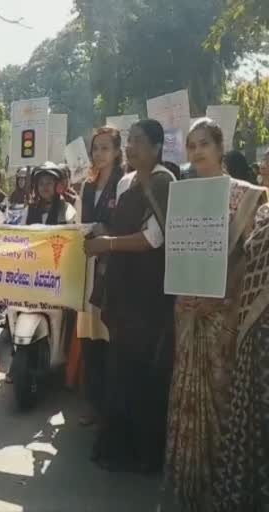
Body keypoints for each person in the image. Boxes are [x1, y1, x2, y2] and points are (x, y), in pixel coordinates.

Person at [165, 118, 266, 511]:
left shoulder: (248, 197)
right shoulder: (184, 196)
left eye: (204, 143)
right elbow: (179, 255)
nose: (196, 152)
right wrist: (185, 290)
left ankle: (219, 489)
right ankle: (188, 484)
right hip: (187, 309)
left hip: (223, 310)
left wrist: (219, 295)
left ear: (221, 146)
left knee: (220, 393)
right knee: (185, 391)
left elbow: (249, 258)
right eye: (190, 146)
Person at [84, 119, 176, 474]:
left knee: (144, 371)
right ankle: (117, 448)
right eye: (131, 140)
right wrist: (99, 232)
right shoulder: (126, 182)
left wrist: (108, 244)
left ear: (156, 147)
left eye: (139, 141)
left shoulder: (164, 182)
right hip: (122, 290)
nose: (133, 147)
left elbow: (154, 238)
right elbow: (122, 226)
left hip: (147, 294)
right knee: (120, 368)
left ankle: (145, 452)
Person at [213, 203, 269, 511]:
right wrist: (231, 325)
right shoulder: (264, 215)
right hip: (256, 335)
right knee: (253, 422)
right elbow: (246, 269)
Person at [76, 127, 124, 437]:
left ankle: (112, 407)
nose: (99, 153)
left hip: (115, 269)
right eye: (95, 148)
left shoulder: (126, 183)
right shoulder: (87, 186)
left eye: (105, 148)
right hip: (88, 267)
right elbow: (79, 226)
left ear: (118, 152)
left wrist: (105, 232)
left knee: (111, 339)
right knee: (89, 339)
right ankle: (92, 403)